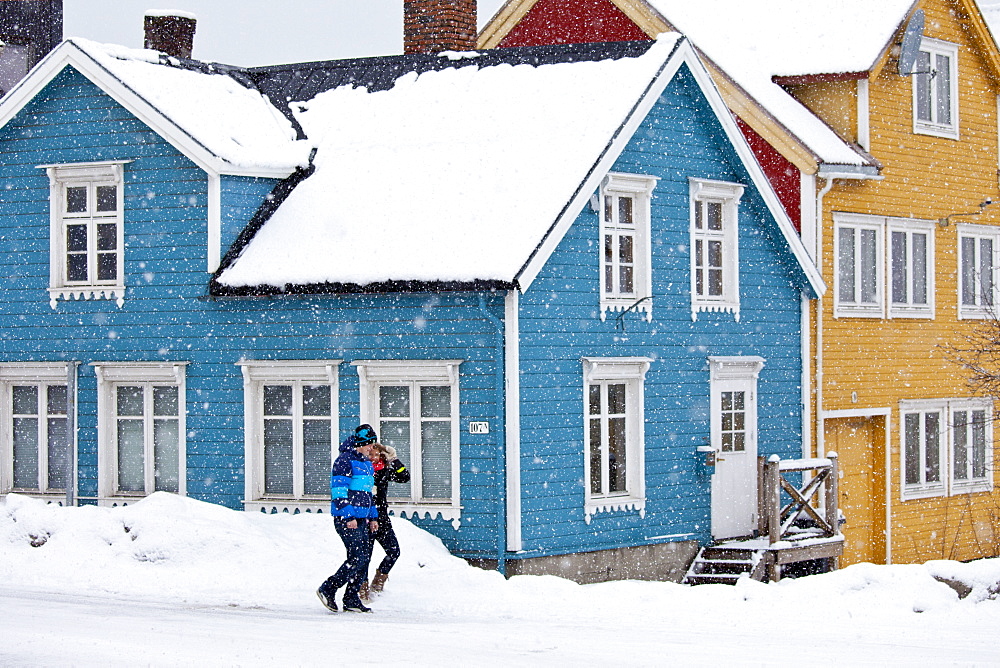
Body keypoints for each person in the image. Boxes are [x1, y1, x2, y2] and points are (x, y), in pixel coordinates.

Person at [316, 424, 379, 613]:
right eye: (369, 444)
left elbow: (368, 493)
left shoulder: (366, 464)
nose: (372, 448)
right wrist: (348, 515)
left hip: (362, 518)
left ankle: (351, 598)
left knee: (364, 558)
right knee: (357, 557)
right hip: (347, 519)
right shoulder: (344, 461)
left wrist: (373, 516)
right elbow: (338, 490)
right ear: (360, 443)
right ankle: (328, 588)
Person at [359, 442, 410, 600]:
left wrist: (394, 459)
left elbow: (404, 476)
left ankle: (379, 581)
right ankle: (362, 586)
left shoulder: (385, 470)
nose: (373, 458)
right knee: (364, 555)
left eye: (376, 455)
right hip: (365, 518)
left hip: (382, 519)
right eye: (371, 455)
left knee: (394, 551)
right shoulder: (362, 470)